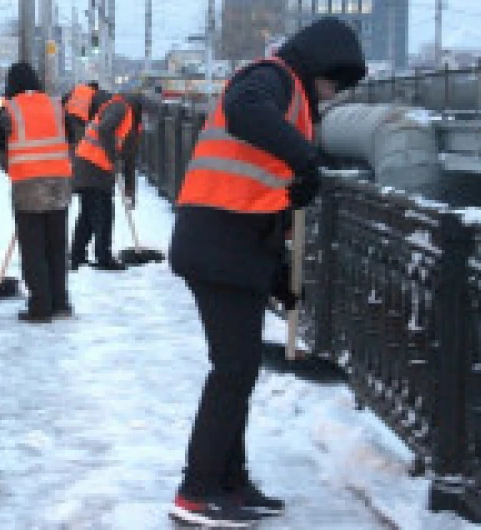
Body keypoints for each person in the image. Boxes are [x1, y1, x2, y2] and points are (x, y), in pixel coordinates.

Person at [167, 18, 367, 526]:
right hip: (215, 243)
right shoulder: (271, 78)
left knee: (239, 368)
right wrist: (306, 162)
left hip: (234, 246)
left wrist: (277, 269)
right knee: (233, 370)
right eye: (334, 83)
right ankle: (197, 489)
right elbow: (242, 111)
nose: (333, 94)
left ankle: (230, 482)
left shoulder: (295, 101)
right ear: (321, 65)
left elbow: (262, 191)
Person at [0, 62, 74, 323]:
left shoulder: (8, 111)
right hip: (59, 186)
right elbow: (70, 139)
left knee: (34, 249)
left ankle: (40, 306)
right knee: (57, 248)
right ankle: (60, 303)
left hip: (27, 187)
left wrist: (16, 170)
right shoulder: (56, 106)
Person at [68, 92, 142, 271]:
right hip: (92, 165)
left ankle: (77, 255)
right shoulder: (120, 107)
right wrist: (113, 158)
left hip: (92, 166)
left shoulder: (132, 123)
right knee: (103, 213)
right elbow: (103, 129)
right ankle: (103, 257)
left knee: (88, 213)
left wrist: (130, 190)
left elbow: (130, 159)